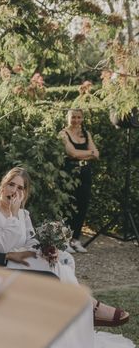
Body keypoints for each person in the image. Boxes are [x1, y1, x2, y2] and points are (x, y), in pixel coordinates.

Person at [0, 167, 136, 348]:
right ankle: (88, 306)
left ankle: (83, 308)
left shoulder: (23, 213)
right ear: (2, 185)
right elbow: (0, 246)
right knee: (52, 269)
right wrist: (13, 215)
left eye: (20, 188)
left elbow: (31, 241)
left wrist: (48, 249)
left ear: (25, 193)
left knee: (61, 259)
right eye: (11, 184)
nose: (14, 191)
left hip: (20, 258)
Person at [60, 108, 99, 253]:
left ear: (82, 119)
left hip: (85, 173)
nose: (76, 120)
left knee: (82, 206)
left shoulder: (86, 134)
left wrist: (83, 155)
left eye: (78, 117)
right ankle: (64, 241)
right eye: (73, 117)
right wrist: (90, 153)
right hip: (70, 173)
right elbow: (72, 153)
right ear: (67, 118)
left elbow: (98, 154)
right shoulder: (63, 134)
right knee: (69, 206)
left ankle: (75, 240)